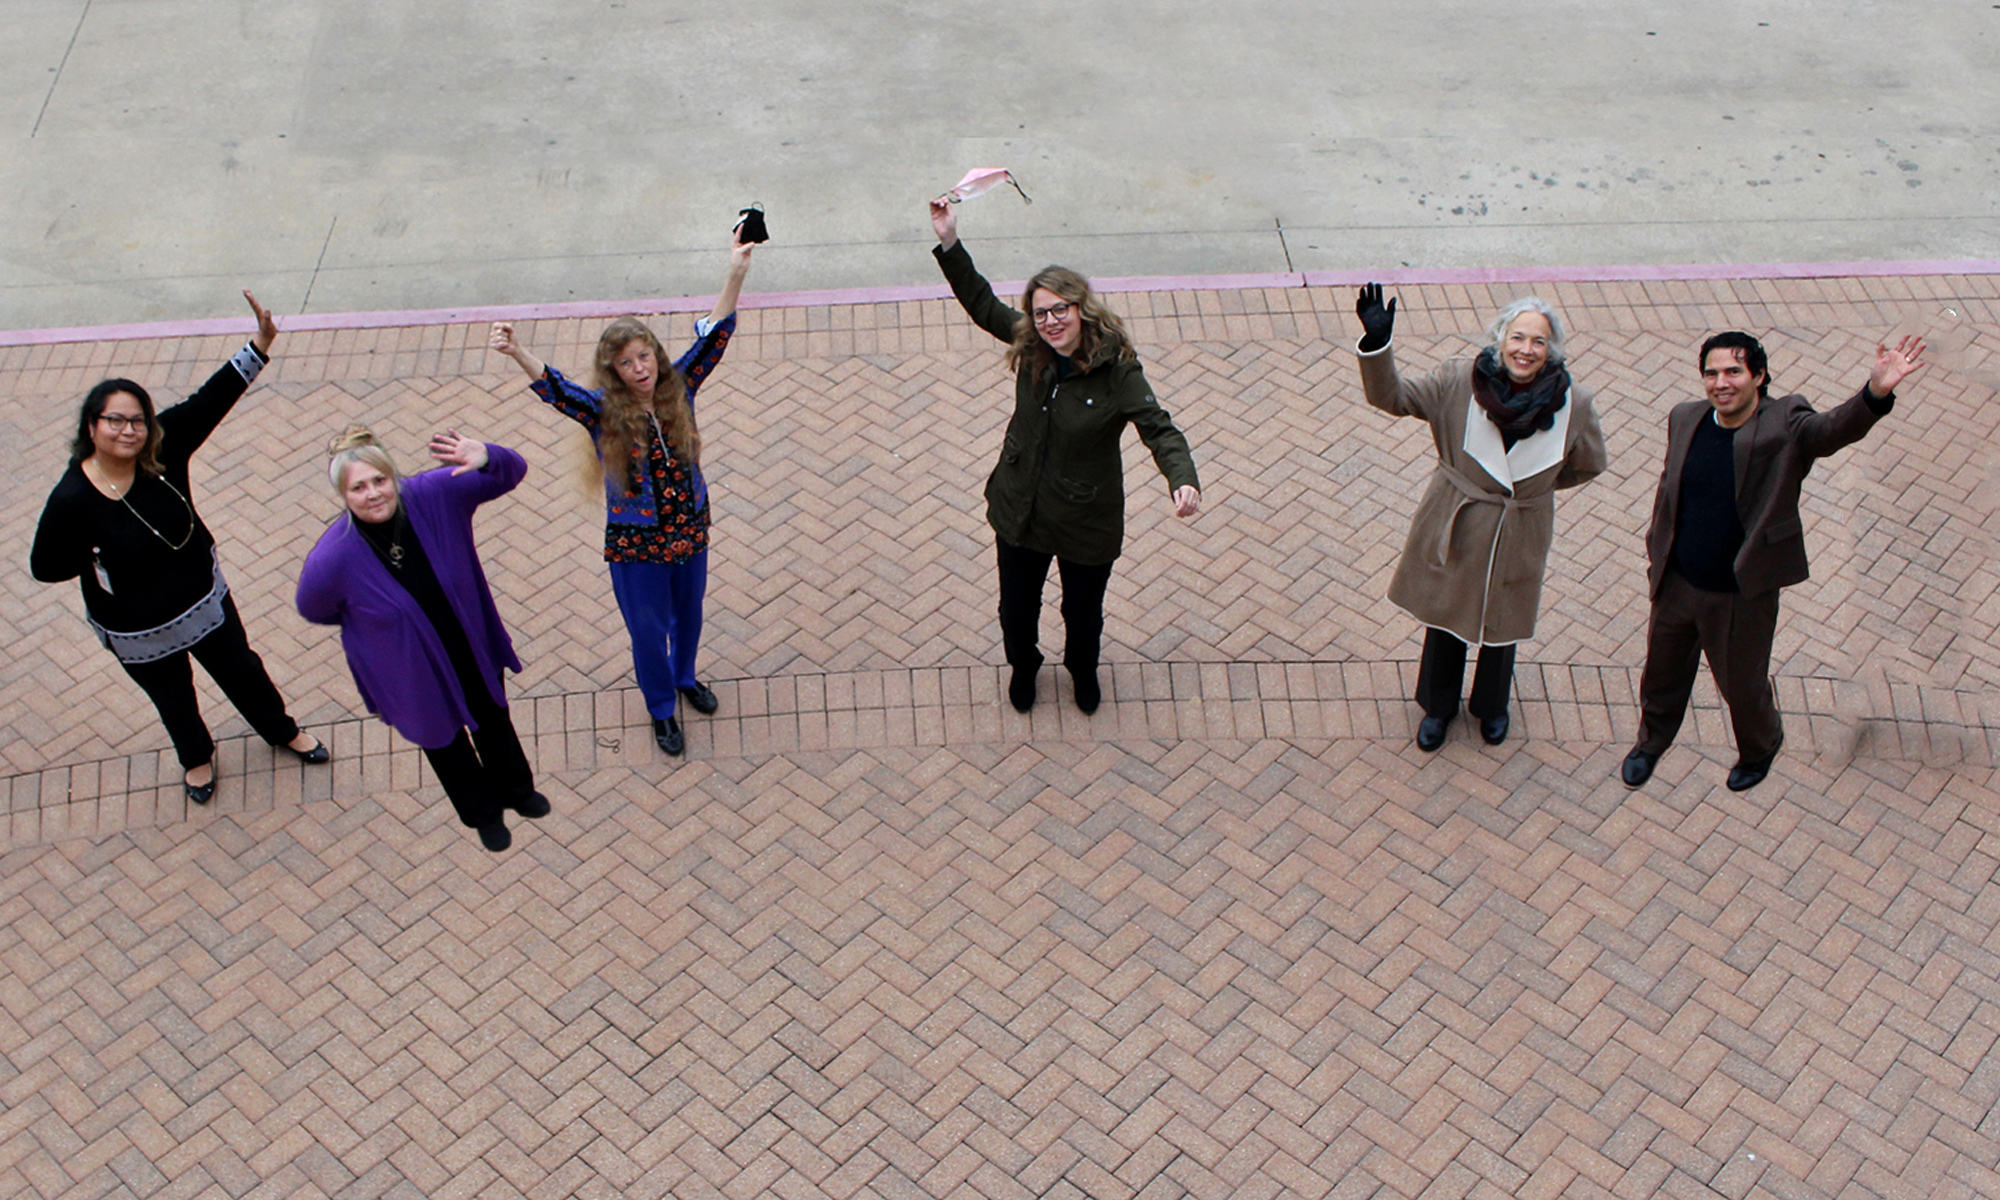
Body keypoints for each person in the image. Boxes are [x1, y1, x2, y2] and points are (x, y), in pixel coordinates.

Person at [30, 290, 330, 806]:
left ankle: (281, 732)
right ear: (91, 427)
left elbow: (210, 400)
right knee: (173, 697)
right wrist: (95, 555)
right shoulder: (72, 497)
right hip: (136, 627)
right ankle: (196, 757)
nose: (129, 430)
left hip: (200, 600)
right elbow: (44, 565)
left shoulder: (163, 451)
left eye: (137, 420)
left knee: (242, 669)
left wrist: (259, 345)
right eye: (115, 421)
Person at [928, 197, 1201, 714]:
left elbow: (1159, 429)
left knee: (1082, 614)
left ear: (1081, 309)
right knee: (1016, 612)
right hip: (1021, 509)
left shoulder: (1118, 371)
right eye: (1040, 312)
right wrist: (949, 241)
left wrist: (1182, 479)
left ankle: (1081, 670)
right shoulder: (1031, 343)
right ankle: (1024, 668)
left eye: (1060, 310)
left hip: (1085, 519)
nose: (1050, 322)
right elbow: (981, 302)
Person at [1622, 331, 1926, 792]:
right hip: (1679, 580)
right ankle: (1652, 742)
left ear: (1758, 376)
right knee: (1661, 673)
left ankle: (1760, 747)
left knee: (1743, 688)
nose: (1720, 382)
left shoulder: (1784, 422)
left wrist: (1875, 392)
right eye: (1711, 372)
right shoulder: (1685, 418)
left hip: (1740, 593)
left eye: (1733, 371)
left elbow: (1829, 431)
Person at [489, 229, 754, 757]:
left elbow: (715, 335)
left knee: (691, 613)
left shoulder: (680, 385)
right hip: (636, 546)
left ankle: (685, 678)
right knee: (647, 629)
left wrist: (736, 273)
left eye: (645, 357)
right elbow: (557, 389)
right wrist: (518, 351)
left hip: (689, 530)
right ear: (614, 371)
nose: (641, 370)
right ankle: (661, 708)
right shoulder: (604, 412)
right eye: (628, 363)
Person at [1352, 283, 1607, 750]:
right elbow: (1394, 398)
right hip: (1460, 518)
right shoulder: (1457, 380)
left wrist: (1533, 495)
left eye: (1538, 341)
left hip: (1519, 527)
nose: (1526, 350)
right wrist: (1377, 345)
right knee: (1447, 616)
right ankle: (1438, 707)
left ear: (1552, 351)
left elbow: (1587, 462)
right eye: (1518, 337)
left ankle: (1492, 706)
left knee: (1503, 620)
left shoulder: (1576, 404)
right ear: (1499, 338)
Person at [297, 426, 546, 851]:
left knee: (492, 718)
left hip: (468, 644)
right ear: (343, 494)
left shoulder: (434, 495)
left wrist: (485, 454)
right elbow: (312, 606)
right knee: (445, 742)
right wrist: (371, 626)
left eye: (380, 480)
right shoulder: (333, 557)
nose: (374, 494)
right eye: (359, 487)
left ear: (394, 476)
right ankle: (482, 814)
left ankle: (517, 792)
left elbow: (511, 471)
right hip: (413, 668)